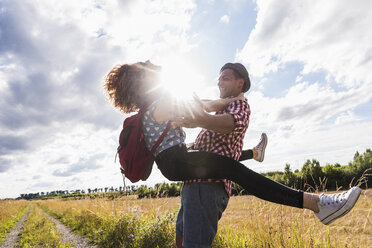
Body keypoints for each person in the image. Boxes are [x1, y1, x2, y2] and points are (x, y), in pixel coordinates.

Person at [104, 61, 361, 248]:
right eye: (146, 66)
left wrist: (221, 105)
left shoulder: (152, 107)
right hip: (179, 161)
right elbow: (201, 108)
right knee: (233, 170)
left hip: (176, 163)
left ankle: (257, 155)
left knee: (217, 172)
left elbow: (202, 107)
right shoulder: (162, 102)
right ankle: (317, 203)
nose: (153, 65)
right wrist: (227, 103)